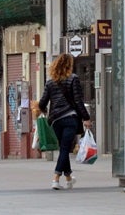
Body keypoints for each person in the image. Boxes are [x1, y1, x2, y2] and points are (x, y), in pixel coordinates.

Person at [38, 53, 92, 190]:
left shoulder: (50, 82)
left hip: (55, 120)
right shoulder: (73, 78)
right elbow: (78, 101)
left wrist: (44, 110)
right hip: (70, 118)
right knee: (65, 148)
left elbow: (42, 103)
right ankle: (55, 178)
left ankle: (68, 178)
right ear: (69, 65)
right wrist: (86, 118)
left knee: (64, 148)